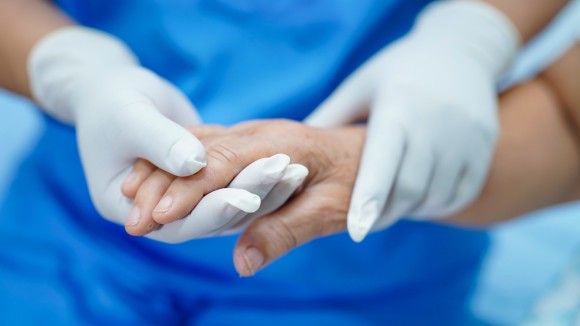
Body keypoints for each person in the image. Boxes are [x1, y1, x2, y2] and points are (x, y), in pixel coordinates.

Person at [0, 0, 574, 324]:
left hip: (361, 278)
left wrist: (475, 31)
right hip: (71, 238)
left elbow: (570, 122)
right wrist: (65, 66)